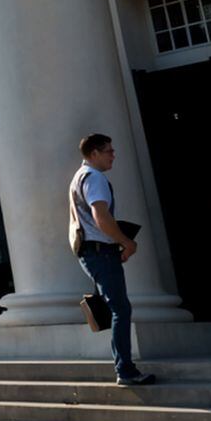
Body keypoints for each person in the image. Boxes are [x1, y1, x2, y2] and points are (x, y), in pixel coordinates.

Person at [71, 134, 158, 387]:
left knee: (115, 308)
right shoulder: (95, 178)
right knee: (121, 309)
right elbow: (100, 216)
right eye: (108, 151)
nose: (113, 154)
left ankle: (124, 366)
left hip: (92, 251)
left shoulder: (80, 176)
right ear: (94, 153)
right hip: (100, 251)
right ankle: (125, 370)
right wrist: (126, 242)